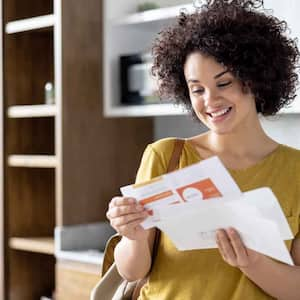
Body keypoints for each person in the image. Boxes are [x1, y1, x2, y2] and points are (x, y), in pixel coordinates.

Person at [106, 0, 300, 299]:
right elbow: (133, 272)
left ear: (256, 80)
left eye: (224, 83)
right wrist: (133, 237)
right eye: (197, 89)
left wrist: (254, 263)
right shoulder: (165, 156)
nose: (210, 100)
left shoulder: (296, 170)